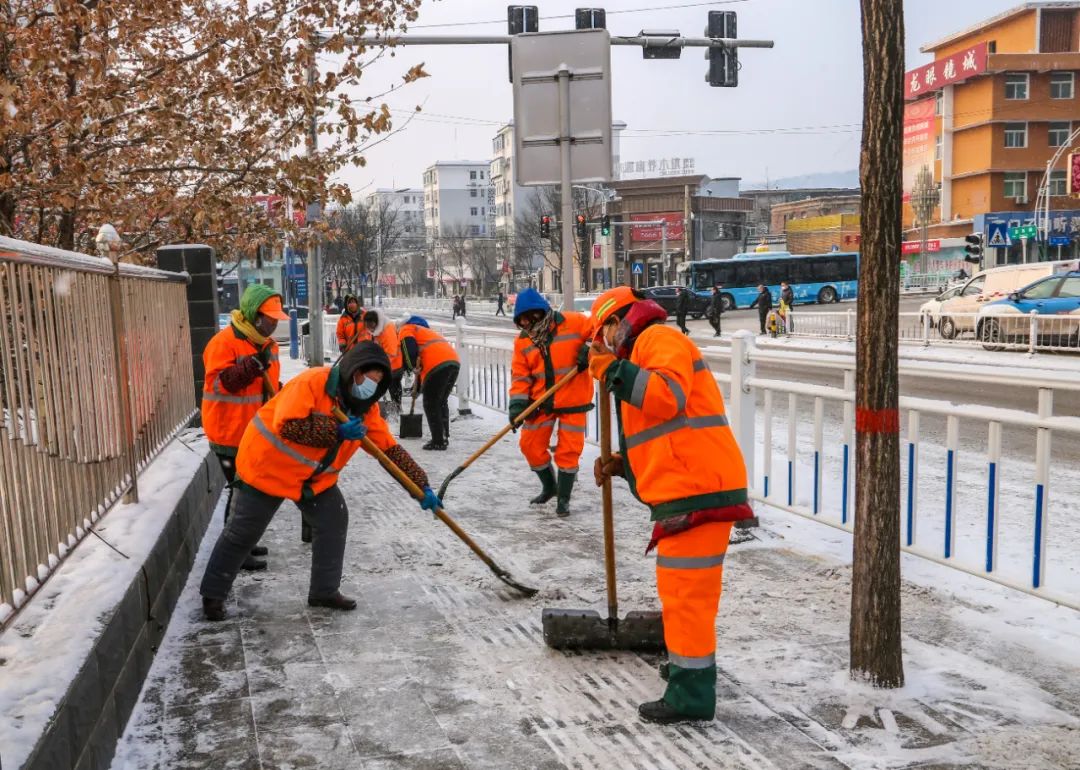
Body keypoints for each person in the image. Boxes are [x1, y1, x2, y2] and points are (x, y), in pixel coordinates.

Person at [588, 286, 753, 725]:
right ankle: (686, 669)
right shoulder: (643, 348)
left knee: (686, 599)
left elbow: (665, 397)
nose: (600, 346)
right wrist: (623, 464)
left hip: (697, 490)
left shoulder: (657, 340)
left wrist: (613, 372)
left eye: (601, 336)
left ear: (615, 321)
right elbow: (665, 435)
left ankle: (691, 695)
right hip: (689, 487)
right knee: (682, 595)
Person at [199, 341, 441, 621]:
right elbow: (289, 426)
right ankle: (213, 595)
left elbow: (389, 451)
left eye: (377, 383)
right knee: (243, 532)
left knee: (333, 520)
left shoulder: (365, 410)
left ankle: (324, 591)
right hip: (267, 467)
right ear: (353, 371)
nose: (369, 387)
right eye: (366, 378)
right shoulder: (312, 383)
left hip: (313, 478)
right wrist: (336, 430)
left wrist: (420, 485)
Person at [202, 284, 288, 571]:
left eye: (277, 319)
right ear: (253, 315)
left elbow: (270, 387)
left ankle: (243, 543)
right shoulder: (224, 343)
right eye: (269, 318)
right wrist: (251, 366)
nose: (274, 324)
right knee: (241, 490)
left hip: (255, 432)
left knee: (248, 490)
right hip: (229, 432)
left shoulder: (267, 345)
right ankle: (235, 550)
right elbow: (219, 384)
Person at [509, 289, 593, 517]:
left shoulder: (573, 322)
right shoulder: (523, 341)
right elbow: (520, 377)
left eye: (528, 319)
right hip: (541, 402)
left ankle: (563, 500)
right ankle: (550, 487)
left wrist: (590, 350)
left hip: (573, 399)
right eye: (521, 322)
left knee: (569, 451)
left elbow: (601, 331)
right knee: (530, 445)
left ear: (539, 313)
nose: (526, 326)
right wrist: (517, 405)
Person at [398, 315, 460, 450]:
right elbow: (423, 362)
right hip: (453, 362)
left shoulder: (406, 329)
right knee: (441, 400)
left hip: (437, 365)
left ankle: (438, 440)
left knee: (431, 403)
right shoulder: (426, 332)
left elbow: (409, 352)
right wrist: (418, 387)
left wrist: (411, 366)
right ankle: (443, 436)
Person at [363, 309, 403, 408]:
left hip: (394, 364)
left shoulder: (387, 329)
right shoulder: (374, 330)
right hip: (384, 363)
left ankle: (396, 409)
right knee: (385, 387)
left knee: (394, 387)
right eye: (368, 327)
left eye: (371, 327)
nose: (370, 330)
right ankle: (388, 407)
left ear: (376, 322)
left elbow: (391, 352)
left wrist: (380, 366)